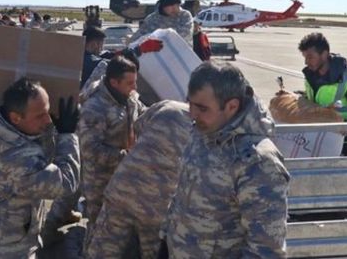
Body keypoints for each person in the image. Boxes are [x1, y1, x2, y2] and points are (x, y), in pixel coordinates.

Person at [161, 61, 290, 258]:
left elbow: (265, 250)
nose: (192, 114)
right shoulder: (204, 132)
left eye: (202, 108)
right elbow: (183, 194)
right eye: (191, 103)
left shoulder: (257, 162)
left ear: (231, 106)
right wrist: (165, 240)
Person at [0, 78, 80, 258]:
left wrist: (50, 130)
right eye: (40, 115)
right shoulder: (19, 162)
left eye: (48, 111)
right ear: (15, 117)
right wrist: (67, 135)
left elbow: (38, 150)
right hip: (4, 249)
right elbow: (67, 184)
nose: (48, 120)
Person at [87, 100, 192, 258]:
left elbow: (137, 128)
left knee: (103, 249)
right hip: (158, 204)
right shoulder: (209, 128)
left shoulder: (167, 106)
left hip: (123, 189)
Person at [78, 56, 146, 251]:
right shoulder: (95, 108)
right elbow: (91, 150)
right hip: (100, 179)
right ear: (114, 82)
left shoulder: (128, 97)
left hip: (122, 172)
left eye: (135, 81)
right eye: (130, 83)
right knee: (99, 224)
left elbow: (142, 113)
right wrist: (127, 157)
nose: (134, 87)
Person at [298, 32, 347, 156]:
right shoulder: (310, 75)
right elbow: (314, 99)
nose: (306, 62)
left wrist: (345, 124)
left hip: (343, 144)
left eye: (310, 57)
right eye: (304, 57)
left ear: (324, 54)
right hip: (314, 139)